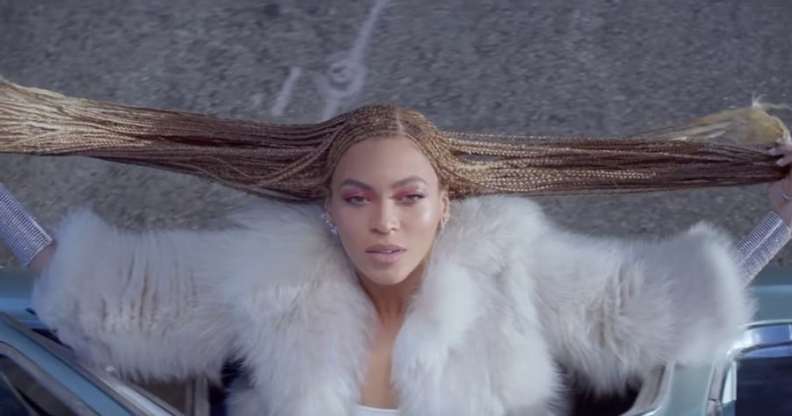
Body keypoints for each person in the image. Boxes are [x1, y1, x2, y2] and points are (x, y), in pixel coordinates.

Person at [1, 101, 792, 415]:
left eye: (409, 197)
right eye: (357, 198)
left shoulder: (509, 268)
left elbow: (654, 310)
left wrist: (780, 220)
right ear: (328, 207)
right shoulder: (269, 277)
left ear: (445, 204)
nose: (384, 222)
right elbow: (113, 299)